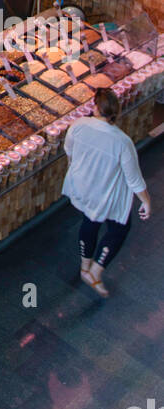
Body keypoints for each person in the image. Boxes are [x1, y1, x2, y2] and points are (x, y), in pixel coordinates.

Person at [62, 88, 151, 298]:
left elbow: (70, 153)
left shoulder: (77, 126)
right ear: (116, 112)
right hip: (106, 191)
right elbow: (133, 179)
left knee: (90, 220)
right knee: (120, 227)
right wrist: (146, 201)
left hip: (82, 185)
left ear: (95, 107)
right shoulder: (122, 142)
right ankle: (95, 270)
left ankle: (85, 266)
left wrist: (75, 174)